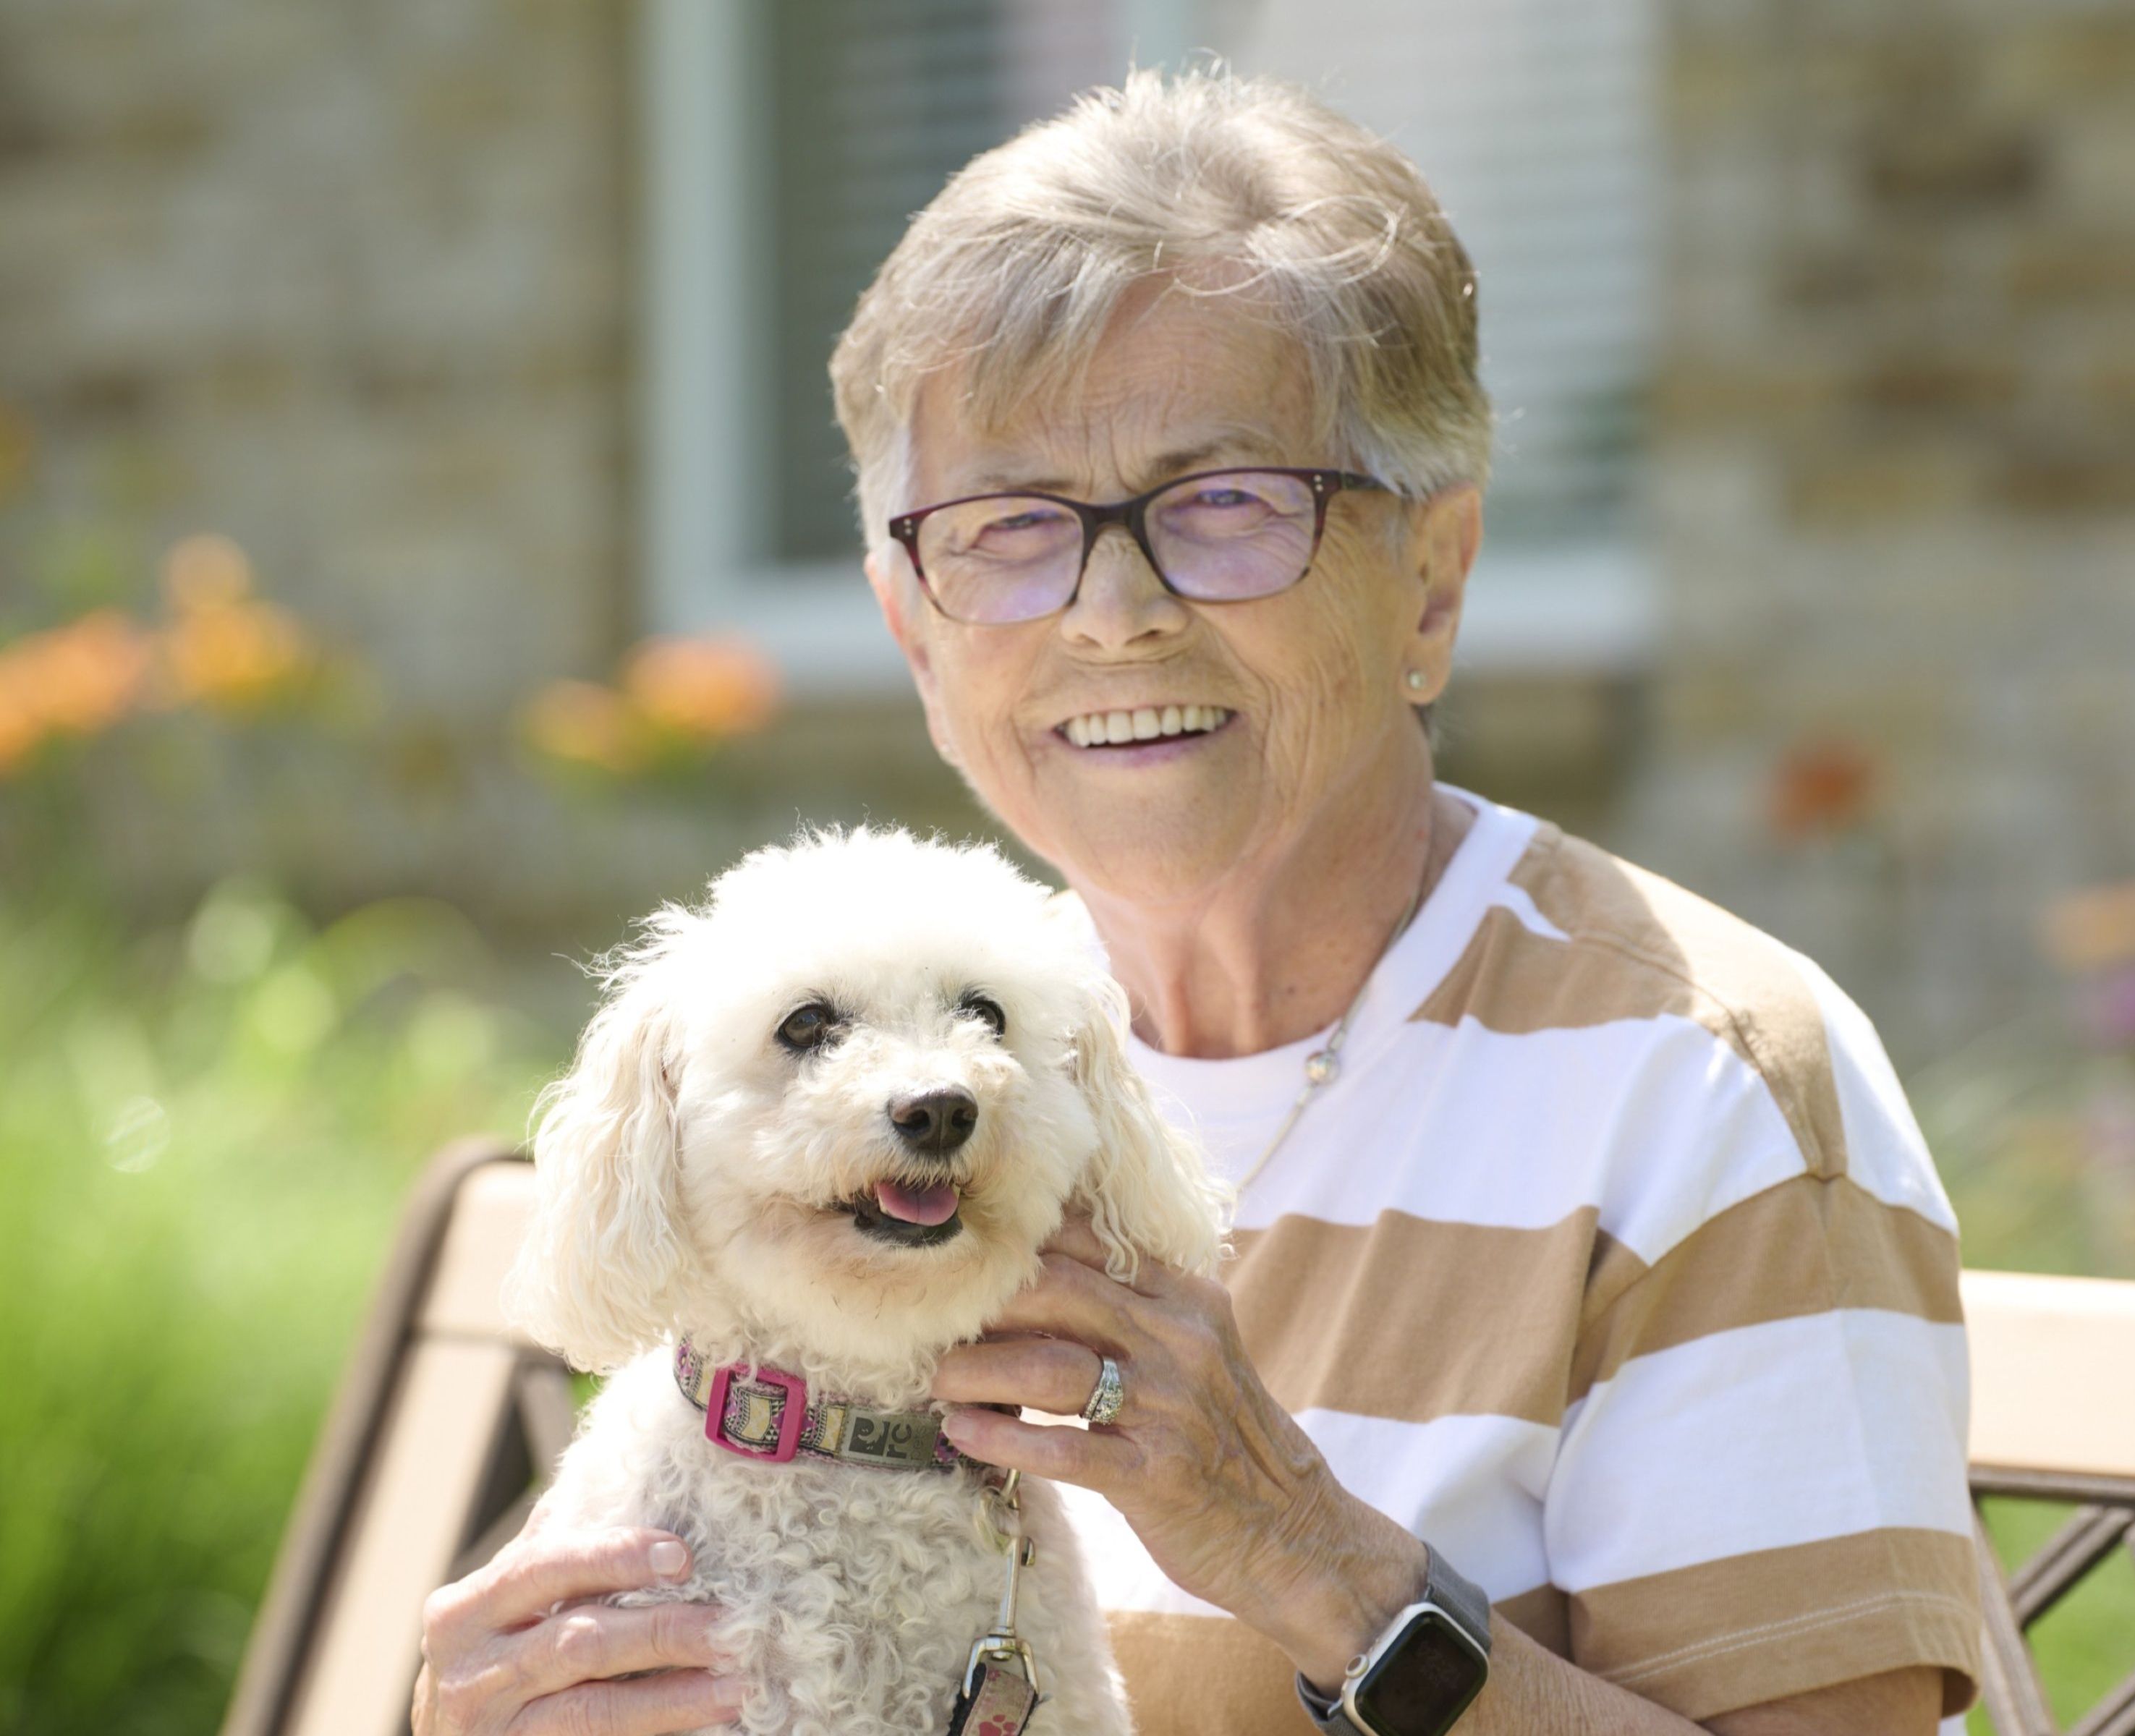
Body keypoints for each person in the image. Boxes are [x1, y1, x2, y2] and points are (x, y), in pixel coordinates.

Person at [414, 69, 1980, 1736]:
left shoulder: (1697, 1086)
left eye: (1225, 505)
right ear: (914, 632)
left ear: (1431, 585)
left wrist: (1308, 1556)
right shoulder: (915, 1050)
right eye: (1013, 528)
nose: (1112, 614)